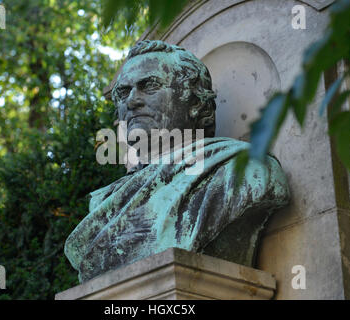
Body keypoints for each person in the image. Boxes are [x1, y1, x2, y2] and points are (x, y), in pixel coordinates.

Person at [64, 40, 290, 283]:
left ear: (194, 102)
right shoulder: (104, 203)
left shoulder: (242, 171)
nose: (131, 101)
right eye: (122, 92)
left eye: (149, 86)